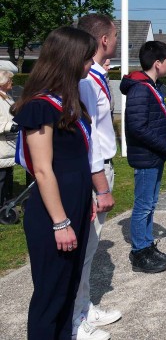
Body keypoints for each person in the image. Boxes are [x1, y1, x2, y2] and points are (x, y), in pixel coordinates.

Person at [12, 26, 97, 340]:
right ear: (69, 59)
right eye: (87, 58)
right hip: (53, 215)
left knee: (67, 291)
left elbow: (75, 163)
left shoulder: (68, 104)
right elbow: (44, 170)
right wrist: (61, 222)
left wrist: (85, 200)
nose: (90, 64)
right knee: (50, 297)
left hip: (74, 204)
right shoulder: (39, 107)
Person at [73, 14, 121, 340]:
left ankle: (84, 307)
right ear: (103, 40)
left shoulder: (98, 76)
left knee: (90, 249)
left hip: (103, 166)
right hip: (95, 171)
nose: (117, 41)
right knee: (83, 249)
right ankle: (76, 320)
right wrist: (99, 185)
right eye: (115, 36)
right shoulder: (85, 80)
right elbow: (87, 137)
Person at [120, 41, 166, 273]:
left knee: (151, 203)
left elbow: (157, 124)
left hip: (154, 155)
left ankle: (147, 246)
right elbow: (138, 127)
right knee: (144, 205)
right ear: (157, 64)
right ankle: (139, 253)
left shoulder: (151, 87)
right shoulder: (140, 89)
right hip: (146, 156)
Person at [0, 70, 17, 206]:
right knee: (2, 176)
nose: (12, 82)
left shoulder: (7, 97)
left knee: (8, 175)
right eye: (10, 80)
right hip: (2, 145)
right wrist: (9, 126)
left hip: (9, 144)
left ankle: (8, 202)